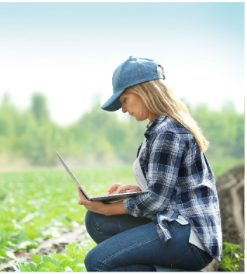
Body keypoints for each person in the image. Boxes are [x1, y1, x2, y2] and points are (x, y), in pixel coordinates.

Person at [77, 56, 222, 271]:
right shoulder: (159, 129)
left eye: (124, 100)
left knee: (96, 260)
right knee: (95, 219)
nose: (123, 109)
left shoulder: (168, 132)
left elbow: (157, 200)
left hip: (189, 235)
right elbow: (168, 188)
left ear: (144, 91)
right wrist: (136, 190)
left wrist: (111, 209)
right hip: (175, 222)